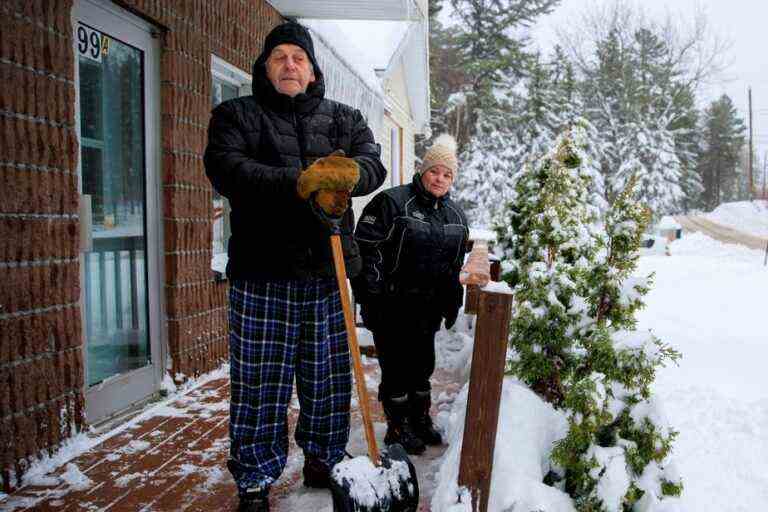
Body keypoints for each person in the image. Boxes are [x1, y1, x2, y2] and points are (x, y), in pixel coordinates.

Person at [203, 21, 386, 512]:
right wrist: (301, 180)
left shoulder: (344, 118)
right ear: (265, 67)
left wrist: (350, 172)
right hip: (263, 272)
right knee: (261, 380)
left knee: (327, 376)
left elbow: (372, 162)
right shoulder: (235, 115)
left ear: (312, 69)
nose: (289, 64)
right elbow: (228, 169)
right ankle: (256, 478)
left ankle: (324, 458)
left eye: (298, 57)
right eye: (280, 56)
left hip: (326, 272)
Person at [352, 134, 468, 455]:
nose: (440, 179)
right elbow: (366, 248)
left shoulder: (456, 217)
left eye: (447, 174)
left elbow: (454, 264)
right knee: (396, 368)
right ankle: (398, 426)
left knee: (422, 366)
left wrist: (452, 300)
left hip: (427, 306)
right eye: (435, 171)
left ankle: (420, 419)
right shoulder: (392, 202)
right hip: (391, 303)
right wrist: (371, 296)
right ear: (423, 170)